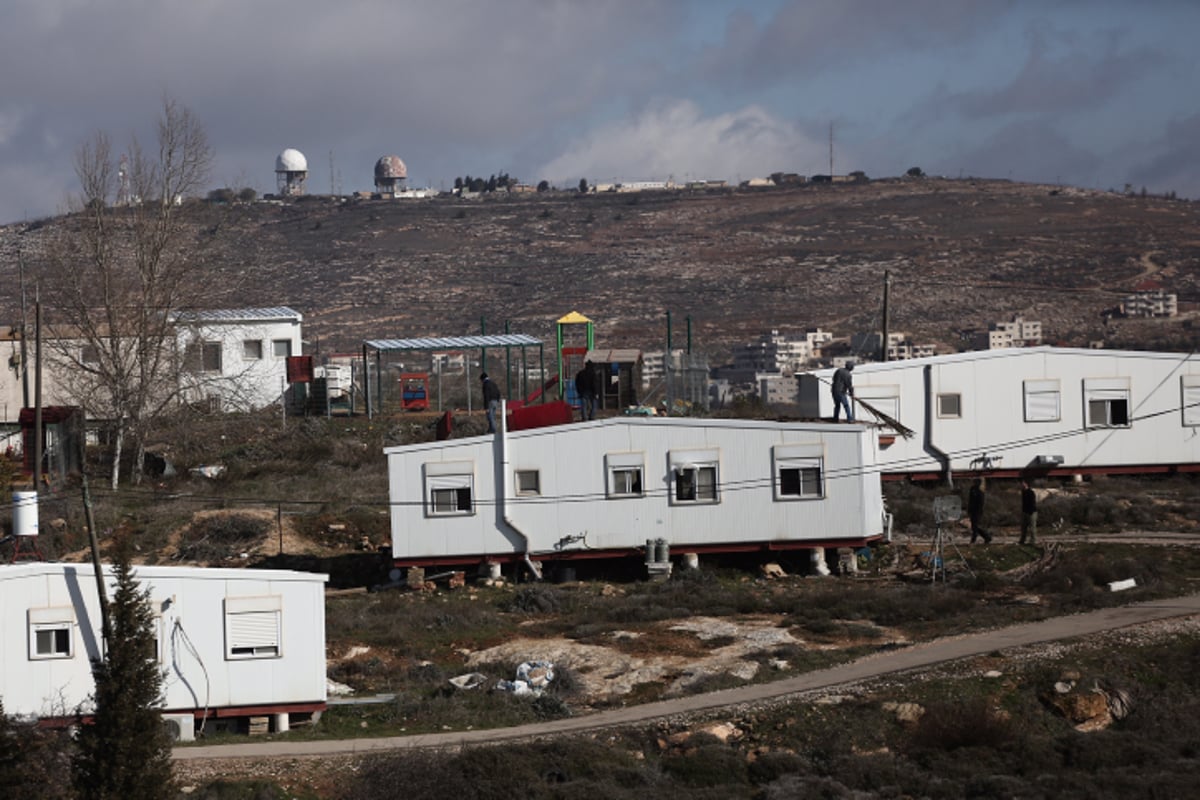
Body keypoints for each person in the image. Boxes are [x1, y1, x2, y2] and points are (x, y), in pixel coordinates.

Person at [967, 478, 991, 544]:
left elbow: (981, 502)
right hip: (972, 510)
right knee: (974, 526)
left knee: (975, 526)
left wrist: (980, 511)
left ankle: (975, 539)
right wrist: (969, 509)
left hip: (977, 510)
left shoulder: (980, 492)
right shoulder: (972, 489)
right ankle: (986, 536)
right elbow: (970, 500)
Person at [1020, 479, 1038, 545]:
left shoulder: (1031, 492)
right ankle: (1022, 540)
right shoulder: (1023, 492)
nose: (1022, 485)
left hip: (1032, 512)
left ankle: (1033, 541)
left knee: (1032, 528)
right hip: (1024, 512)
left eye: (1023, 483)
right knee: (1023, 527)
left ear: (1026, 484)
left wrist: (1030, 511)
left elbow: (1032, 502)